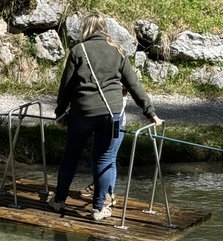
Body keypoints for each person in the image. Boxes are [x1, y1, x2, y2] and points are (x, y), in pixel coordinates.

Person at [50, 13, 163, 222]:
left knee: (70, 157)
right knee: (105, 159)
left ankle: (59, 201)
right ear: (104, 29)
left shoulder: (78, 51)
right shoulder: (118, 52)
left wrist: (59, 114)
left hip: (81, 113)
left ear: (85, 30)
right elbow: (134, 86)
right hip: (111, 114)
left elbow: (65, 88)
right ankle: (98, 208)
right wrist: (151, 113)